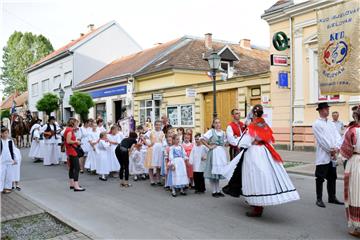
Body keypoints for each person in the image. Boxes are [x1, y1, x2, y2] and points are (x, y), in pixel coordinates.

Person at [222, 104, 300, 217]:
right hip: (265, 151)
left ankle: (257, 206)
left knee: (254, 177)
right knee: (263, 176)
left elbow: (243, 142)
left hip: (254, 153)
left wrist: (238, 141)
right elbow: (269, 139)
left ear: (253, 114)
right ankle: (258, 203)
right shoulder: (264, 124)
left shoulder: (252, 126)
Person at [312, 102, 343, 208]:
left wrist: (337, 147)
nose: (328, 110)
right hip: (323, 155)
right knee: (320, 178)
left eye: (328, 109)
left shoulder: (331, 123)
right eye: (325, 109)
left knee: (332, 177)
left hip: (332, 156)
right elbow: (321, 140)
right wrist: (331, 150)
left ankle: (332, 197)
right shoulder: (316, 124)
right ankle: (319, 199)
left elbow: (338, 137)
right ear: (320, 111)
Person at [337, 105, 360, 237]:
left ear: (356, 116)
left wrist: (338, 159)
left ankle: (357, 227)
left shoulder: (352, 131)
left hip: (356, 162)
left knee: (355, 193)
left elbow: (345, 152)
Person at [201, 118, 228, 198]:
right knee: (213, 172)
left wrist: (227, 143)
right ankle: (214, 191)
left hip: (221, 153)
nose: (217, 124)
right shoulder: (211, 131)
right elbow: (202, 139)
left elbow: (226, 143)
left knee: (218, 172)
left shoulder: (223, 133)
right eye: (216, 123)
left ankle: (218, 190)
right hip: (213, 153)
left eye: (219, 122)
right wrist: (209, 146)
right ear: (213, 124)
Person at [63, 118, 85, 192]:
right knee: (77, 168)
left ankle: (72, 184)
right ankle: (76, 186)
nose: (77, 124)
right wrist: (76, 141)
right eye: (76, 123)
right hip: (72, 151)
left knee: (72, 168)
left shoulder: (67, 129)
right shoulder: (69, 130)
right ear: (73, 123)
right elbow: (68, 141)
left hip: (69, 150)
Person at [144, 120, 165, 186]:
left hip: (159, 150)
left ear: (161, 125)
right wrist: (148, 144)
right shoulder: (150, 132)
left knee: (158, 166)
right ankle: (152, 180)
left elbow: (164, 141)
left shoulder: (162, 133)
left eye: (159, 125)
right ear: (154, 125)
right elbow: (143, 138)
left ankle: (158, 180)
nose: (158, 126)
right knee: (151, 166)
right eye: (157, 124)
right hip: (152, 149)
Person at [1, 127, 20, 193]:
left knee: (9, 175)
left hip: (9, 161)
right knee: (1, 175)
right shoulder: (0, 141)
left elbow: (13, 151)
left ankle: (7, 188)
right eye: (4, 133)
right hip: (2, 161)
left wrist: (15, 159)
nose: (5, 135)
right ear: (1, 133)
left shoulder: (10, 141)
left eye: (7, 133)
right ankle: (1, 188)